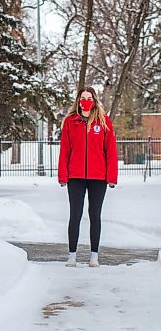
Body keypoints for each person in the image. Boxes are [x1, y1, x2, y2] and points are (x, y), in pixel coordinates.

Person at [58, 86, 118, 268]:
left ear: (94, 100)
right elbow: (65, 150)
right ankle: (72, 255)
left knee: (95, 215)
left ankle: (94, 256)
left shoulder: (103, 121)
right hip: (75, 176)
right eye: (82, 97)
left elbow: (111, 151)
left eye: (89, 98)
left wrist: (111, 176)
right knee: (75, 215)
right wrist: (63, 175)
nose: (85, 101)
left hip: (98, 177)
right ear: (78, 100)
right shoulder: (70, 121)